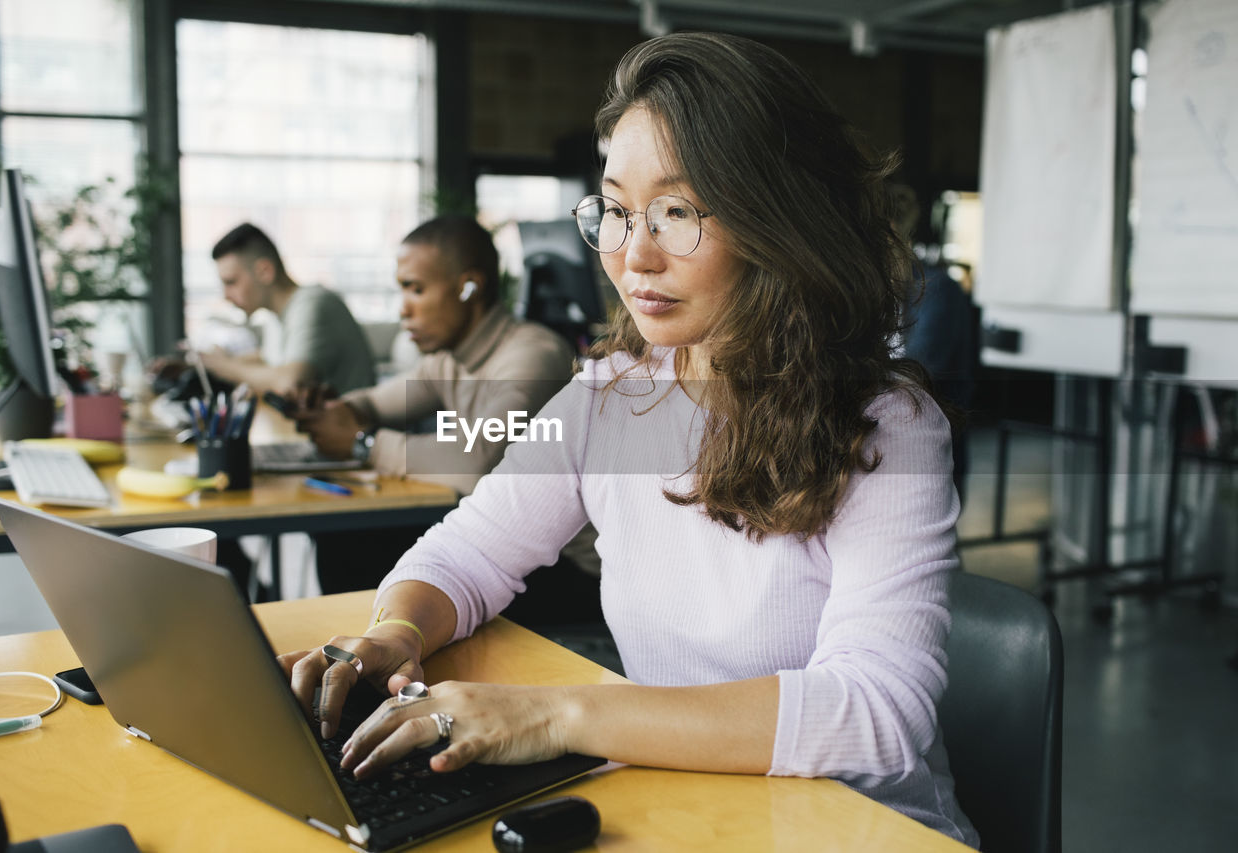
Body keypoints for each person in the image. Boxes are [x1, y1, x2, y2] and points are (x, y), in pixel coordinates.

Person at [280, 32, 978, 847]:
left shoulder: (885, 424)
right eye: (615, 210)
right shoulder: (609, 396)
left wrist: (562, 712)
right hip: (688, 809)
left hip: (853, 827)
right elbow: (465, 554)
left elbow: (877, 714)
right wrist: (396, 634)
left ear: (779, 221)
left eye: (677, 212)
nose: (632, 253)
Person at [293, 215, 592, 604]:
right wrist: (335, 408)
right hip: (509, 547)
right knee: (347, 541)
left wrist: (360, 444)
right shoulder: (447, 359)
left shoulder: (534, 355)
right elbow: (375, 402)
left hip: (569, 565)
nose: (403, 311)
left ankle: (375, 658)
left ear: (470, 287)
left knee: (358, 550)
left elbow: (480, 460)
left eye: (415, 290)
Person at [196, 223, 376, 398]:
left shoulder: (313, 303)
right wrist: (201, 362)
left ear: (265, 272)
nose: (226, 295)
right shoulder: (276, 316)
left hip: (352, 426)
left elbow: (289, 382)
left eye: (231, 282)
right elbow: (268, 360)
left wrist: (223, 367)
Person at [888, 183, 975, 497]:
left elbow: (920, 374)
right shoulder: (869, 294)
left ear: (894, 230)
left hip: (923, 454)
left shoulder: (936, 289)